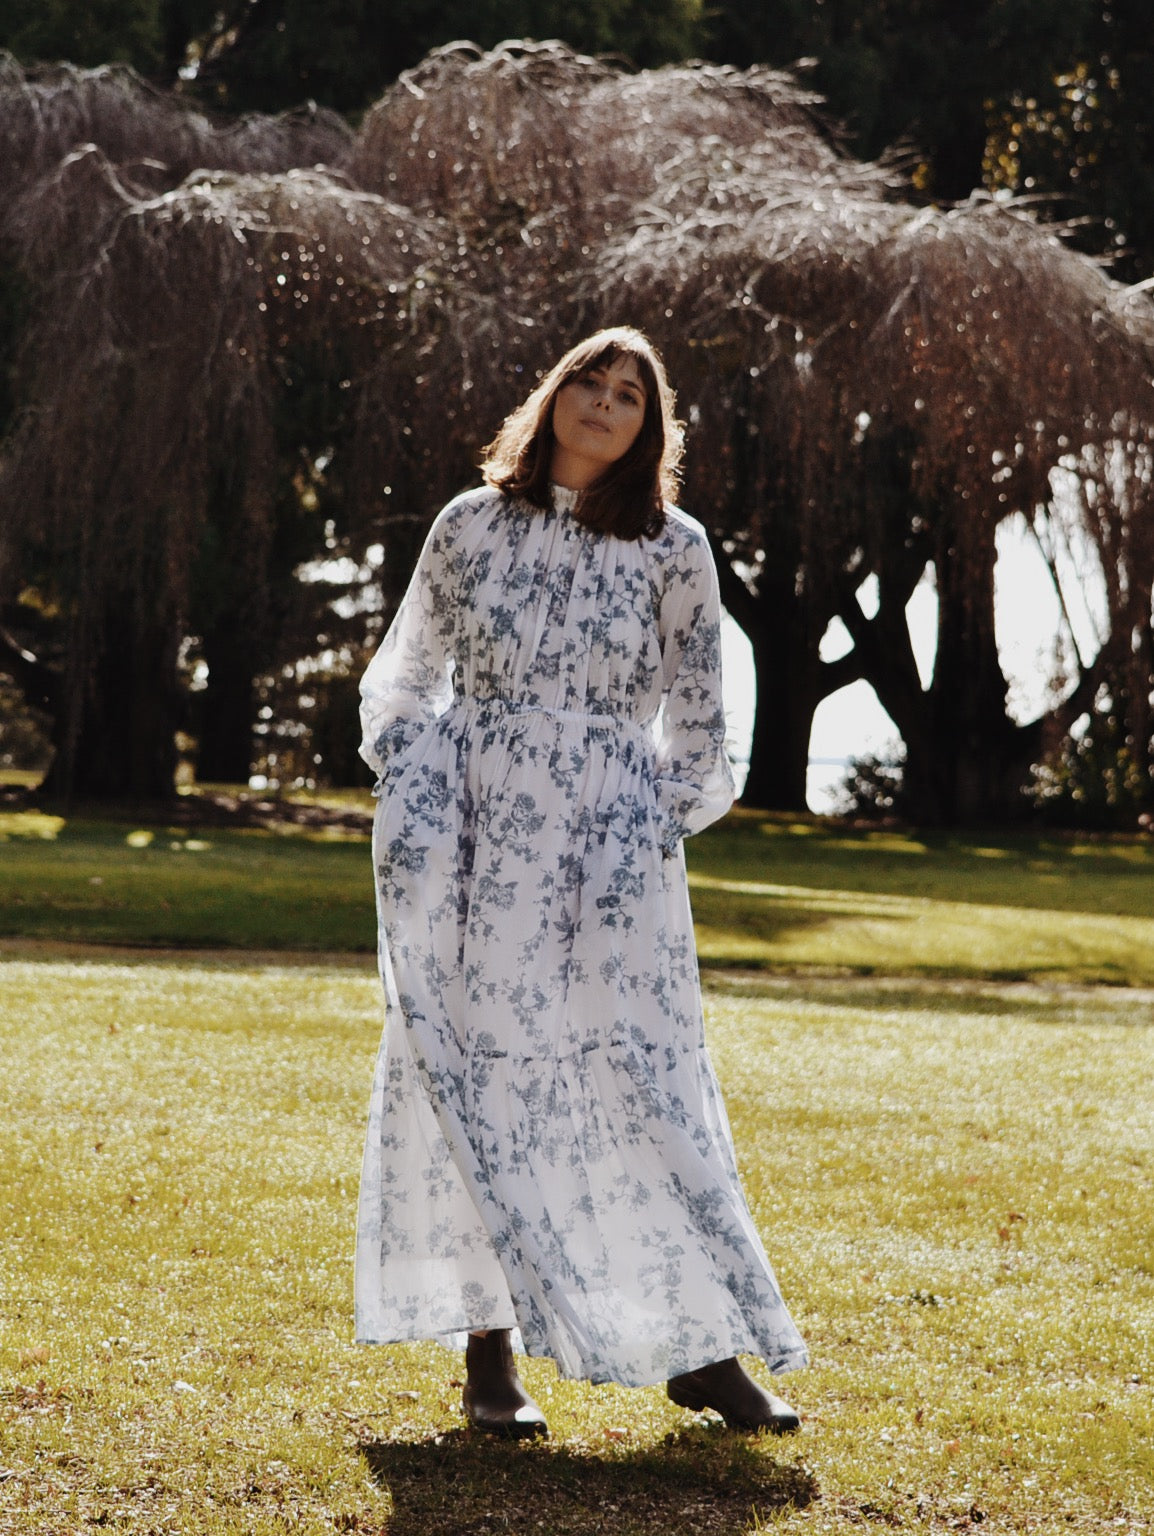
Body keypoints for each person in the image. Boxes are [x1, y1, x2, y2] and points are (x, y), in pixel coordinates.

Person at [355, 326, 807, 1439]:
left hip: (609, 856)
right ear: (554, 396)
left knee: (638, 1076)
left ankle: (701, 1349)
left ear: (650, 425)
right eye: (589, 383)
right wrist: (414, 779)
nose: (604, 404)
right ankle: (489, 1353)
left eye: (628, 395)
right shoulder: (469, 523)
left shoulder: (673, 546)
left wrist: (648, 824)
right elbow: (406, 673)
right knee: (477, 1074)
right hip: (473, 844)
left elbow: (701, 720)